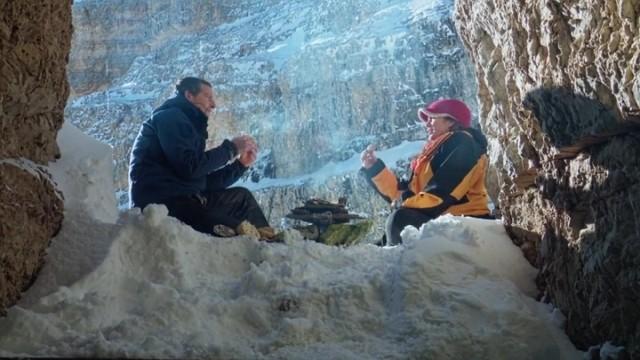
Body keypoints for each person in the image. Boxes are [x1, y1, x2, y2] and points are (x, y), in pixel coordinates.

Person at [128, 77, 276, 240]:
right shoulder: (170, 117)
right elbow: (190, 167)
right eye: (208, 97)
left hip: (185, 198)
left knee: (242, 198)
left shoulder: (187, 125)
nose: (213, 105)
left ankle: (269, 242)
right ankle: (261, 248)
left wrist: (240, 166)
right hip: (163, 204)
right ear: (189, 96)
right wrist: (232, 148)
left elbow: (202, 182)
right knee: (236, 230)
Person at [360, 98, 491, 245]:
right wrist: (374, 168)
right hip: (438, 216)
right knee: (380, 243)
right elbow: (403, 194)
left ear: (451, 121)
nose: (427, 123)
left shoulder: (463, 143)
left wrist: (402, 203)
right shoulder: (432, 153)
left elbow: (440, 195)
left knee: (400, 219)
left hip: (464, 218)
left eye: (433, 118)